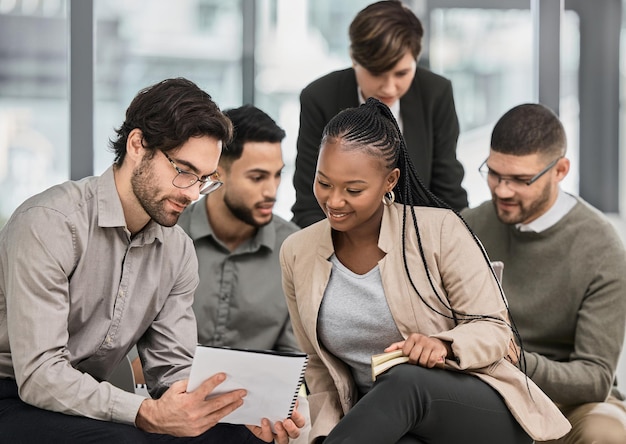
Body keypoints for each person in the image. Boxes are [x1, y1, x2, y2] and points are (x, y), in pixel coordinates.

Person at [0, 77, 303, 443]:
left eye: (205, 180)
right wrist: (143, 412)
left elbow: (172, 370)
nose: (193, 194)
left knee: (236, 438)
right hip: (14, 394)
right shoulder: (51, 223)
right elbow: (40, 375)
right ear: (137, 145)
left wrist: (233, 412)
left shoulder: (176, 250)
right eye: (184, 171)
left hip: (92, 401)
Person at [280, 97, 571, 444]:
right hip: (384, 423)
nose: (334, 201)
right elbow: (318, 365)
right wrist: (323, 435)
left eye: (353, 189)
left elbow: (495, 330)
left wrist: (443, 345)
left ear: (390, 180)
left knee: (405, 379)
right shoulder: (298, 252)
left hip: (477, 409)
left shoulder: (441, 230)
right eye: (324, 183)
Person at [462, 103, 626, 444]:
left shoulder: (602, 248)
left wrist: (517, 360)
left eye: (521, 180)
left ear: (560, 170)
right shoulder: (469, 226)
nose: (503, 190)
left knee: (606, 431)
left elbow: (595, 377)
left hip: (569, 404)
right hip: (485, 392)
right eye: (494, 173)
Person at [291, 0, 468, 228]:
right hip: (337, 239)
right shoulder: (319, 97)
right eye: (377, 73)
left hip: (419, 239)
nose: (389, 87)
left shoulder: (435, 93)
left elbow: (447, 196)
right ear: (354, 58)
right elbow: (308, 203)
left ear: (416, 60)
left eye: (402, 73)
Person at [177, 104, 300, 352]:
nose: (271, 191)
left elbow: (294, 357)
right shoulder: (170, 236)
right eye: (257, 178)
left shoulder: (294, 249)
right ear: (216, 174)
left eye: (277, 175)